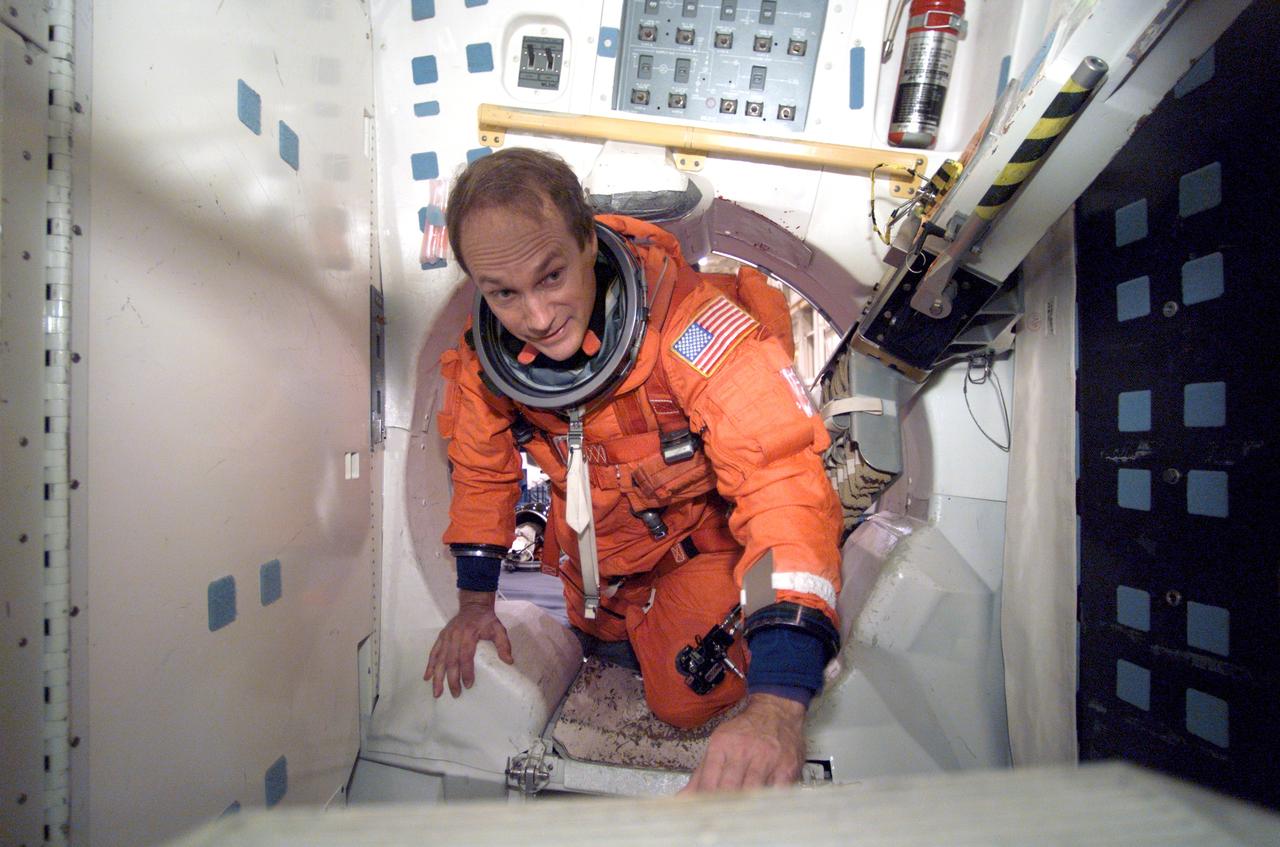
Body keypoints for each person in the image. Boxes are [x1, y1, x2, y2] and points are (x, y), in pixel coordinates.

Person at [424, 148, 843, 792]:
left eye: (552, 276)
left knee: (681, 699)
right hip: (593, 594)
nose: (536, 317)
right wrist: (475, 604)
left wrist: (780, 699)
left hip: (698, 573)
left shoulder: (693, 329)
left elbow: (779, 479)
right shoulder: (489, 366)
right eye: (503, 292)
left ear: (589, 240)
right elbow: (482, 475)